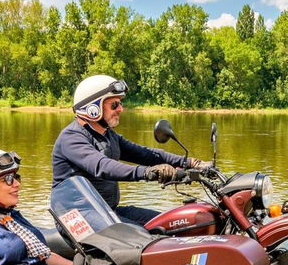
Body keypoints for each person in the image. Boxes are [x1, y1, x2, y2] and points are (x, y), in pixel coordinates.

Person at [51, 75, 209, 226]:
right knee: (145, 242)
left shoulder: (108, 135)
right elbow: (102, 166)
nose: (121, 109)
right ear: (93, 107)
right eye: (114, 104)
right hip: (80, 218)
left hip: (107, 211)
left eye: (120, 103)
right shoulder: (72, 137)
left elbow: (144, 154)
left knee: (172, 224)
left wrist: (190, 162)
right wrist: (148, 172)